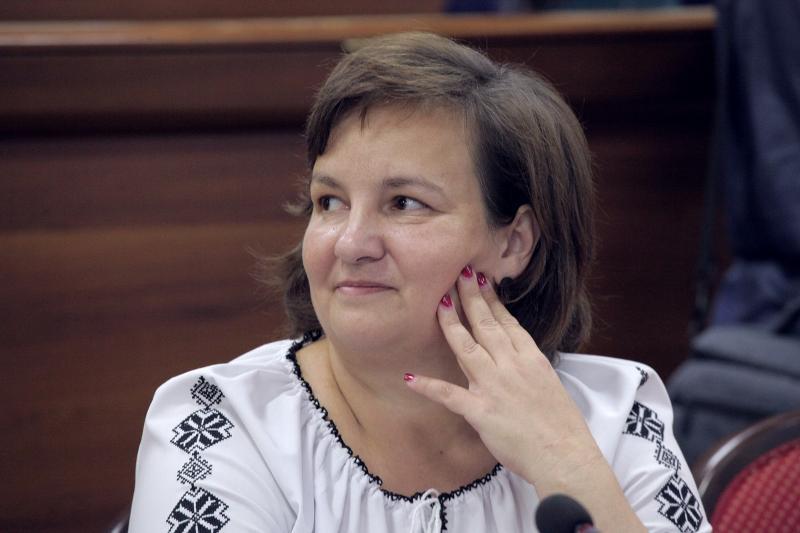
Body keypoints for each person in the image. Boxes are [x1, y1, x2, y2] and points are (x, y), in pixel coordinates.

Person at [129, 32, 710, 533]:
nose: (351, 243)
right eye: (329, 201)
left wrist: (568, 464)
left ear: (514, 243)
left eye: (405, 203)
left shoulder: (615, 416)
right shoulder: (222, 424)